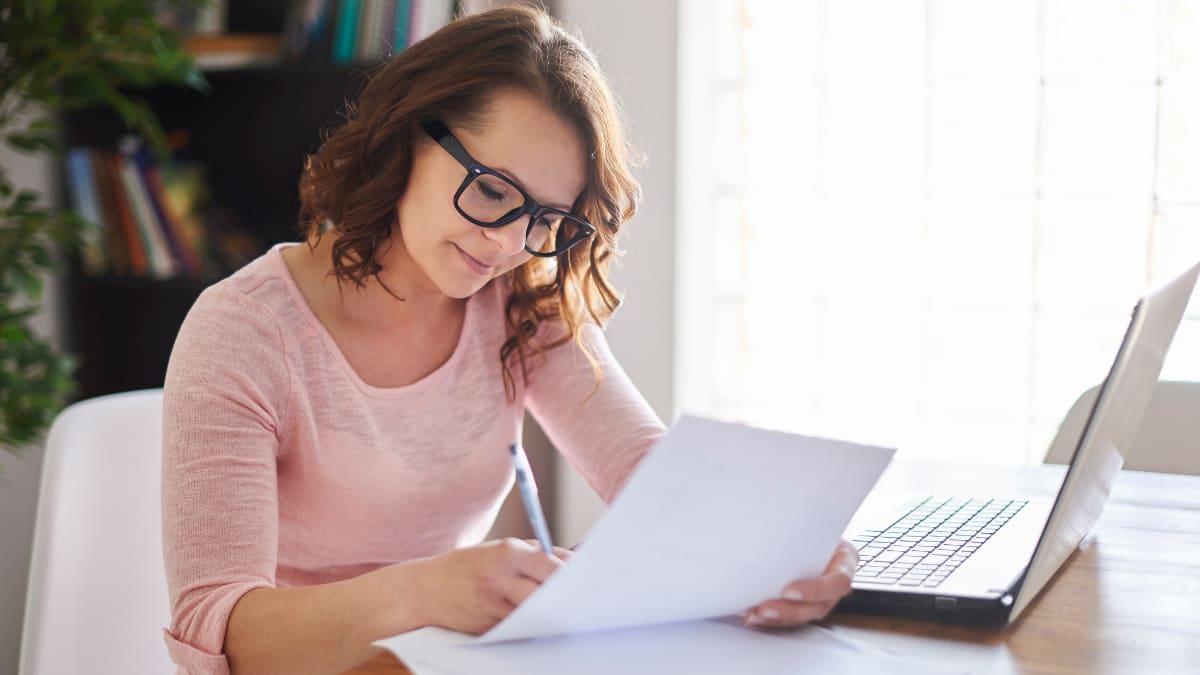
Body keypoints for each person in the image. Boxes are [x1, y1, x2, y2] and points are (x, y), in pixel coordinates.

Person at [161, 6, 858, 675]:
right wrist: (420, 592)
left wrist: (791, 547)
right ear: (410, 134)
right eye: (493, 191)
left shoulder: (520, 304)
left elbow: (653, 478)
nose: (507, 244)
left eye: (545, 218)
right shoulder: (244, 331)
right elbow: (223, 637)